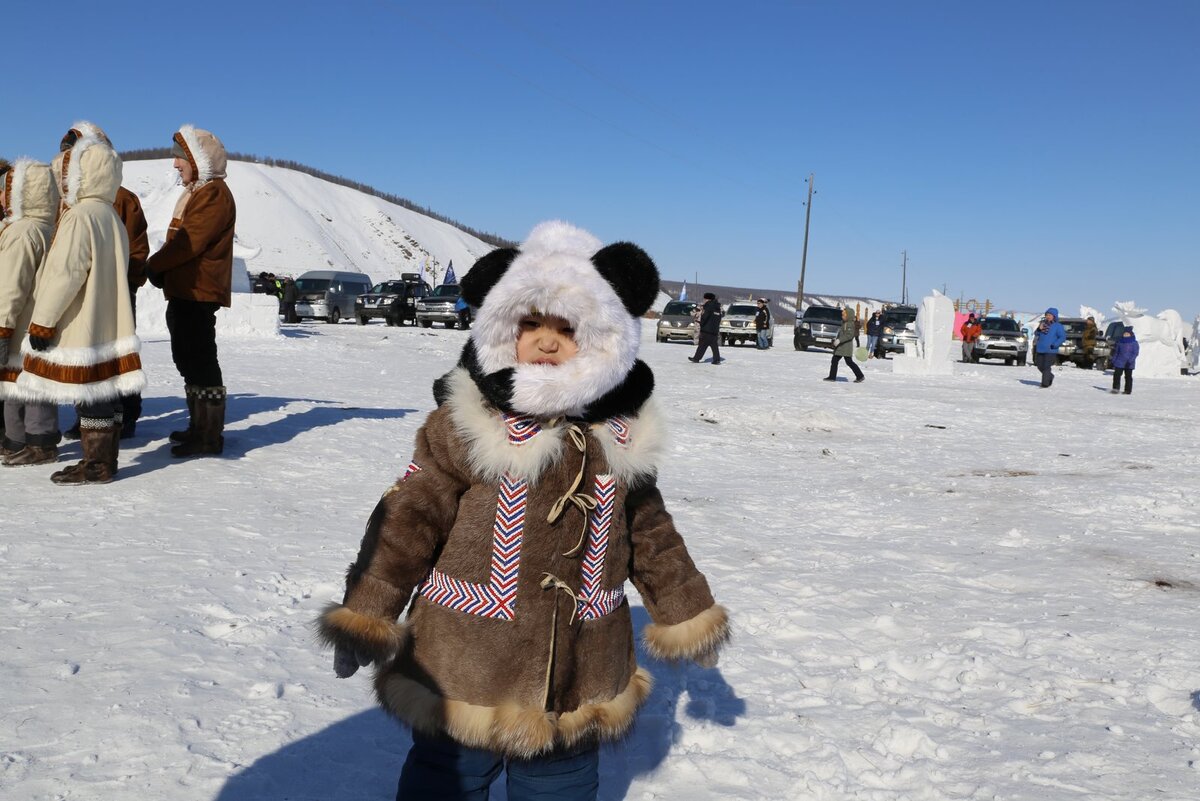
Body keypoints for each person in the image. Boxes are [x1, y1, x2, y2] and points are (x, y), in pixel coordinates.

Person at [318, 221, 728, 801]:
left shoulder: (619, 441)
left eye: (568, 328)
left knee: (559, 788)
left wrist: (688, 612)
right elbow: (405, 522)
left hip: (581, 674)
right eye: (529, 323)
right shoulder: (466, 429)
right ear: (499, 330)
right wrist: (366, 613)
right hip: (466, 666)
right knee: (445, 783)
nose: (546, 340)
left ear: (606, 339)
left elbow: (652, 536)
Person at [16, 135, 144, 484]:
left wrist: (42, 323)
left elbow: (65, 273)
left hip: (83, 321)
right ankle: (103, 459)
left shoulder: (79, 216)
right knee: (106, 393)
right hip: (109, 320)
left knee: (92, 398)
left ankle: (96, 465)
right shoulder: (110, 215)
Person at [144, 125, 236, 457]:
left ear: (197, 160)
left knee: (199, 359)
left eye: (180, 158)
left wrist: (156, 265)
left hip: (199, 291)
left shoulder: (213, 194)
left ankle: (208, 436)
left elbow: (190, 241)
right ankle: (199, 427)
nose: (174, 164)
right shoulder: (201, 192)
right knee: (188, 357)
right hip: (187, 290)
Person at [58, 122, 151, 441]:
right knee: (84, 354)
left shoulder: (123, 198)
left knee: (118, 354)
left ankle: (125, 416)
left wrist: (126, 285)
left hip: (116, 291)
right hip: (81, 293)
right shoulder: (69, 199)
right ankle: (87, 416)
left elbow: (138, 248)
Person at [0, 159, 61, 466]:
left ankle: (38, 444)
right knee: (29, 383)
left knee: (24, 384)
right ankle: (19, 442)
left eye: (4, 189)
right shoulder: (48, 228)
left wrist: (2, 326)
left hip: (21, 321)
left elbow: (10, 285)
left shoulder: (22, 231)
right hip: (38, 322)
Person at [825, 307, 865, 382]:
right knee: (836, 360)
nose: (842, 316)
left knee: (848, 361)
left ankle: (860, 376)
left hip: (845, 347)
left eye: (844, 315)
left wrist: (839, 340)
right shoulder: (845, 323)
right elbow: (842, 334)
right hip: (841, 347)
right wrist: (836, 340)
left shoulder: (849, 324)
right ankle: (832, 376)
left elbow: (849, 335)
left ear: (848, 316)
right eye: (842, 315)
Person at [1032, 307, 1067, 388]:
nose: (1048, 316)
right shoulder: (1043, 324)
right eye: (1047, 315)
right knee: (1040, 366)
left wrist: (1055, 344)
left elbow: (1062, 337)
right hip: (1041, 348)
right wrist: (1039, 329)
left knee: (1046, 366)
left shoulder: (1058, 326)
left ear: (1054, 316)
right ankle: (1050, 376)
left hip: (1051, 350)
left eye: (1050, 315)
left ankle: (1045, 383)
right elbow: (1036, 334)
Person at [688, 291, 723, 364]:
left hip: (706, 329)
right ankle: (716, 360)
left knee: (702, 345)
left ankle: (696, 358)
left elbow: (705, 317)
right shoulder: (717, 307)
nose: (704, 300)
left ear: (707, 299)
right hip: (714, 330)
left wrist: (702, 324)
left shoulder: (708, 306)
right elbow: (719, 318)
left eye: (705, 299)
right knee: (714, 346)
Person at [1110, 327, 1139, 394]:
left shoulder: (1134, 343)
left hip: (1129, 363)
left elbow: (1135, 353)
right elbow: (1116, 352)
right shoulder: (1120, 342)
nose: (1125, 335)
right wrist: (1113, 360)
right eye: (1124, 333)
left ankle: (1127, 390)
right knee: (1116, 375)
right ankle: (1115, 389)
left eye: (1127, 334)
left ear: (1131, 334)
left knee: (1128, 377)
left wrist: (1130, 360)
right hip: (1119, 361)